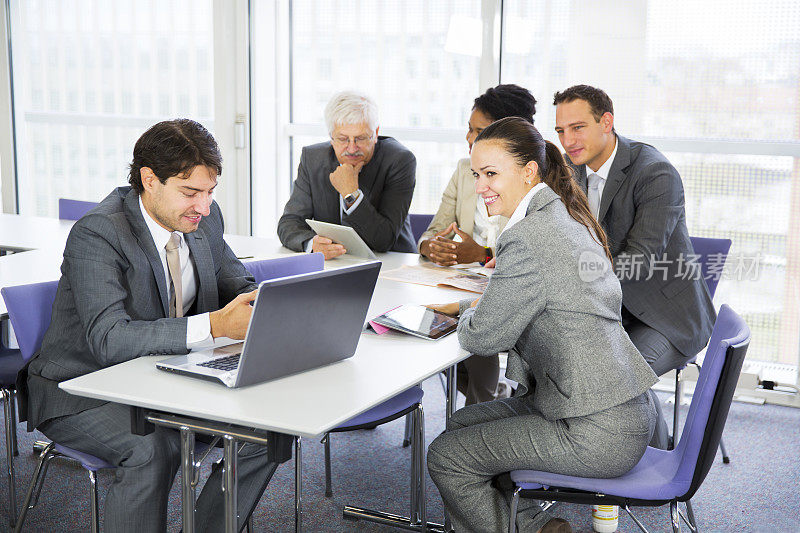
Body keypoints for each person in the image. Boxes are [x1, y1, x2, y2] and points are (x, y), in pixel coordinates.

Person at [21, 119, 290, 533]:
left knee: (272, 425)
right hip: (80, 387)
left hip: (163, 375)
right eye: (190, 192)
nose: (204, 205)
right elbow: (109, 340)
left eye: (210, 191)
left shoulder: (204, 218)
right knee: (154, 449)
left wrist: (272, 307)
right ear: (149, 179)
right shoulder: (99, 233)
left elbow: (236, 281)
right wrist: (216, 324)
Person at [426, 117, 658, 533]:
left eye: (491, 174)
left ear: (529, 170)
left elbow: (484, 337)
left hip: (596, 429)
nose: (480, 187)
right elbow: (517, 304)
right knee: (463, 424)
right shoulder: (561, 215)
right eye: (477, 174)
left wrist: (466, 315)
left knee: (448, 455)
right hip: (611, 407)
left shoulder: (530, 236)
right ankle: (535, 526)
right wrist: (463, 306)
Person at [553, 84, 716, 448]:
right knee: (553, 363)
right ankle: (570, 453)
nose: (568, 140)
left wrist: (573, 278)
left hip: (665, 317)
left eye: (577, 127)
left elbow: (639, 261)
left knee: (620, 377)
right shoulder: (572, 170)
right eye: (561, 131)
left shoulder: (655, 173)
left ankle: (655, 467)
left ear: (606, 122)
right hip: (611, 310)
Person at [419, 83, 538, 406]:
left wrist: (483, 254)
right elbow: (432, 232)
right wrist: (432, 247)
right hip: (463, 286)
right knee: (429, 318)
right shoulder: (464, 170)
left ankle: (480, 410)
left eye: (479, 131)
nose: (470, 139)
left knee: (474, 322)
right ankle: (486, 403)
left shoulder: (534, 180)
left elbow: (534, 255)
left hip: (514, 292)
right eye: (469, 130)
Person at [277, 91, 416, 258]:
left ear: (375, 133)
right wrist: (311, 244)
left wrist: (351, 194)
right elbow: (289, 223)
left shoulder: (399, 160)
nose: (352, 148)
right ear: (331, 136)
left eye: (361, 138)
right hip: (336, 263)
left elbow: (383, 240)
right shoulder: (312, 159)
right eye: (343, 139)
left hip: (392, 263)